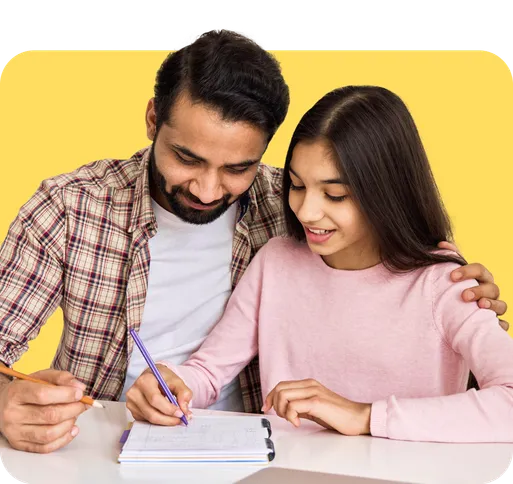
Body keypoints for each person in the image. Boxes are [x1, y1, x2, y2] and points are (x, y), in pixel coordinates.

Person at [0, 29, 507, 454]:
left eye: (238, 167)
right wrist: (6, 400)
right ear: (153, 119)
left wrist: (450, 273)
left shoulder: (284, 205)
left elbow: (394, 238)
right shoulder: (72, 208)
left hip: (261, 454)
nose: (207, 189)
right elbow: (205, 368)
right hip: (102, 444)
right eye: (188, 158)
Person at [126, 85, 513, 443]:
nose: (307, 212)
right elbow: (210, 371)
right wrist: (171, 383)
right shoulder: (276, 262)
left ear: (388, 193)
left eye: (335, 195)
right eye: (297, 185)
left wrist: (364, 417)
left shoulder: (445, 285)